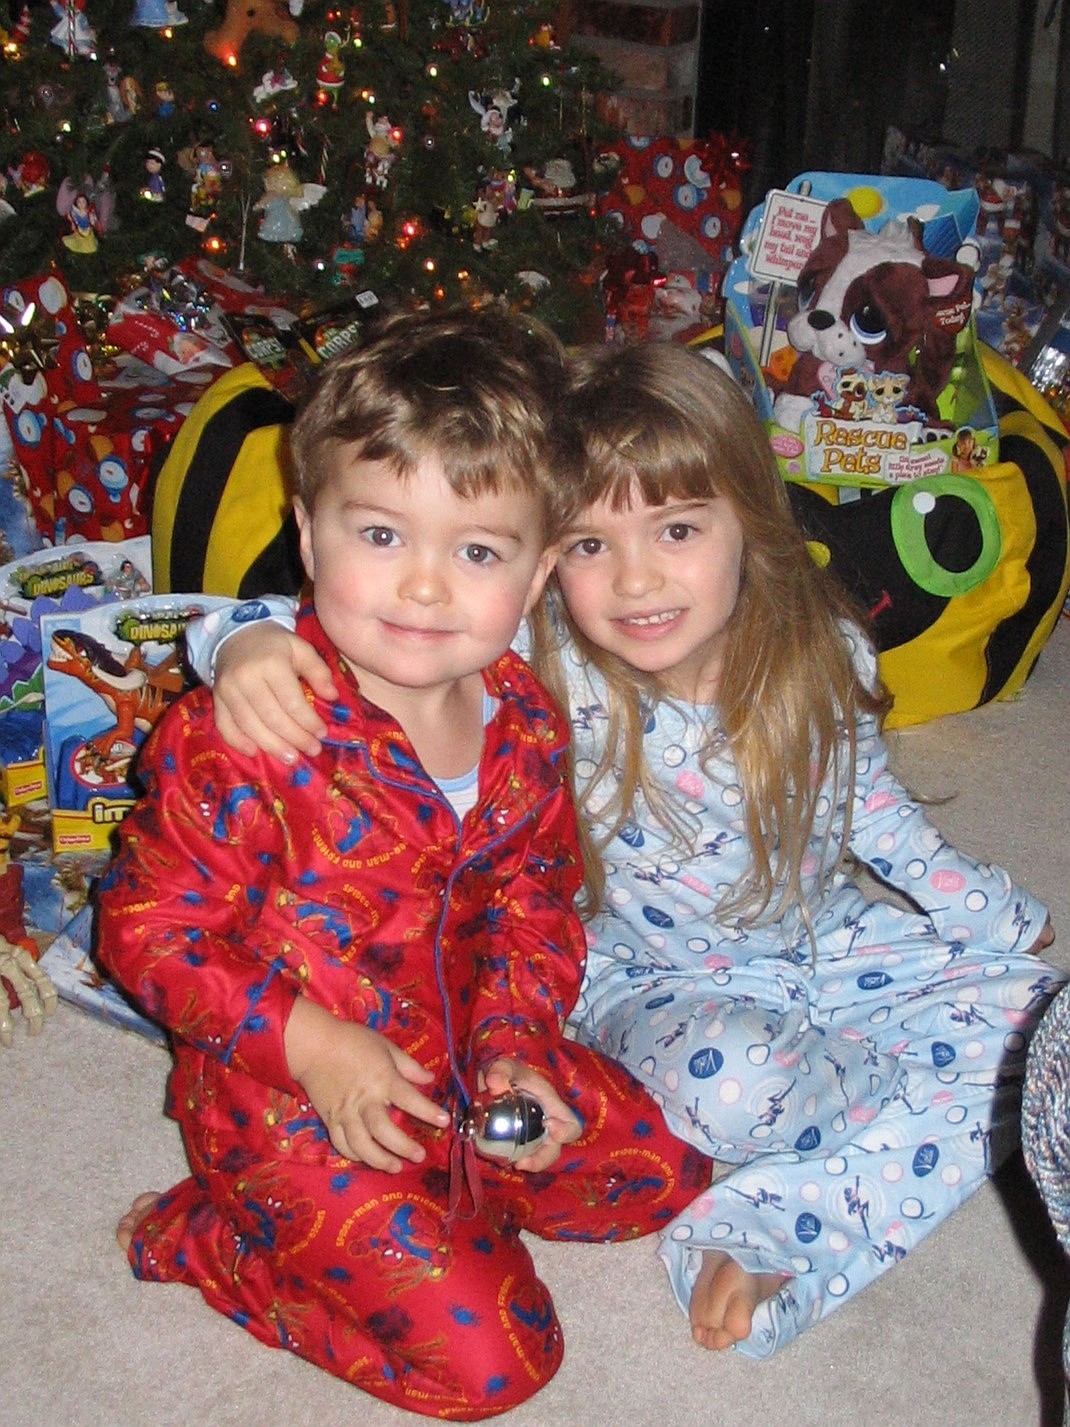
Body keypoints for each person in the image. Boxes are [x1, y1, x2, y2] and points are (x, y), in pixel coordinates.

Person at [189, 339, 1061, 1361]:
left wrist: (992, 914)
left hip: (822, 935)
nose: (636, 577)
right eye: (590, 545)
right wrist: (239, 641)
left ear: (750, 521)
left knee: (1040, 1037)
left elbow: (877, 821)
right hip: (641, 977)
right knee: (735, 1087)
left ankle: (802, 1203)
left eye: (678, 527)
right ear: (548, 561)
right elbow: (345, 626)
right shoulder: (535, 655)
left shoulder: (821, 653)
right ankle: (853, 1138)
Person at [95, 312, 711, 1421]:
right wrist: (313, 1046)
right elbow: (147, 932)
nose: (424, 587)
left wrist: (519, 1051)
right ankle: (217, 1236)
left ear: (531, 578)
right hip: (293, 1103)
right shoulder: (247, 731)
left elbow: (536, 903)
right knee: (497, 1365)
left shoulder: (521, 716)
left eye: (476, 551)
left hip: (472, 1066)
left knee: (663, 1174)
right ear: (307, 528)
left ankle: (459, 1200)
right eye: (380, 535)